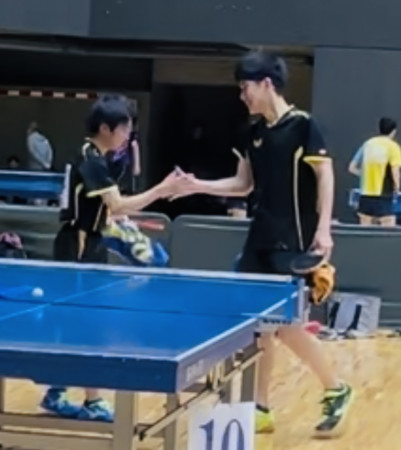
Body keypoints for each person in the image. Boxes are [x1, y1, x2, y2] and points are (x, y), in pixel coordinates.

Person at [173, 50, 353, 437]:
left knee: (284, 326)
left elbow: (325, 175)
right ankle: (261, 407)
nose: (242, 95)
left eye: (246, 87)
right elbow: (243, 184)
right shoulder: (251, 133)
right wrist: (198, 184)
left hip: (295, 241)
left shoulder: (303, 126)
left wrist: (324, 229)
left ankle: (336, 388)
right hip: (260, 238)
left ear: (267, 84)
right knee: (259, 328)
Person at [41, 94, 181, 422]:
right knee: (83, 322)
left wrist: (125, 228)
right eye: (124, 129)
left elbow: (107, 211)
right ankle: (87, 399)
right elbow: (117, 204)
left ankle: (58, 391)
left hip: (91, 240)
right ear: (105, 128)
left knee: (83, 321)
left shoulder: (96, 158)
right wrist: (161, 190)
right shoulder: (90, 159)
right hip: (77, 246)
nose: (128, 136)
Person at [348, 117, 401, 226]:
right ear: (394, 131)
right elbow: (395, 171)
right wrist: (397, 188)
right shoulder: (393, 147)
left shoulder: (367, 144)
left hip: (365, 195)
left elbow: (352, 168)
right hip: (384, 194)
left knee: (365, 231)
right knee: (388, 231)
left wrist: (365, 176)